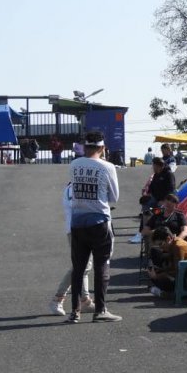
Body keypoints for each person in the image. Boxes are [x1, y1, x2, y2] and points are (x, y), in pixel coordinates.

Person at [66, 130, 121, 323]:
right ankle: (100, 310)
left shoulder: (74, 165)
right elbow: (114, 197)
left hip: (77, 221)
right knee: (101, 266)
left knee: (78, 268)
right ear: (102, 147)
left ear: (85, 146)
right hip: (99, 221)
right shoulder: (108, 167)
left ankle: (75, 311)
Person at [48, 182, 95, 316]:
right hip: (77, 229)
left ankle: (85, 300)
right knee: (80, 266)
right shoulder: (74, 187)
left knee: (85, 267)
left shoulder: (77, 185)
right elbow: (75, 206)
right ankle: (58, 298)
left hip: (85, 227)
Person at [129, 158, 176, 243]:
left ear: (159, 166)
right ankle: (141, 233)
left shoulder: (169, 175)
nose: (153, 168)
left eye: (154, 166)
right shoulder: (156, 175)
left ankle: (149, 232)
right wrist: (148, 195)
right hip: (155, 198)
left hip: (165, 200)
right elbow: (151, 188)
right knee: (146, 210)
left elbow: (171, 190)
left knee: (156, 212)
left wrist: (164, 200)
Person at [147, 226, 187, 297]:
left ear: (168, 238)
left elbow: (178, 271)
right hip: (186, 275)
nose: (161, 247)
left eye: (161, 244)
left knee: (161, 280)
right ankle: (164, 291)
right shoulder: (174, 243)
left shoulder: (178, 247)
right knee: (157, 273)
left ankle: (169, 293)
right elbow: (175, 267)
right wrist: (161, 270)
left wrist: (157, 276)